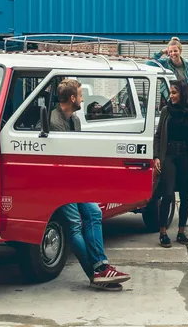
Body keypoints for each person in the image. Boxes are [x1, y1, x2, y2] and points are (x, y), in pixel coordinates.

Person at [50, 78, 131, 291]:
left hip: (76, 180)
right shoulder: (54, 121)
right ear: (72, 98)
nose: (84, 98)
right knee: (75, 224)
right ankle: (95, 273)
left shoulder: (74, 120)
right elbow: (64, 156)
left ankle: (101, 267)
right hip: (60, 182)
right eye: (81, 94)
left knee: (94, 212)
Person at [153, 79, 188, 248]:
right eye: (171, 93)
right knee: (167, 194)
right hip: (169, 155)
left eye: (174, 93)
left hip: (186, 158)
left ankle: (181, 233)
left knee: (184, 195)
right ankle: (163, 233)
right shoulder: (166, 111)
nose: (171, 96)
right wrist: (156, 157)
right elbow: (158, 135)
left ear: (183, 93)